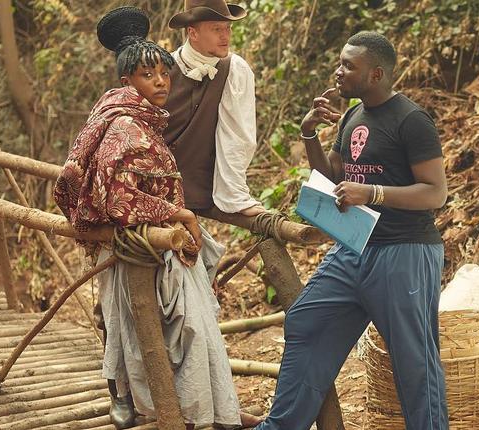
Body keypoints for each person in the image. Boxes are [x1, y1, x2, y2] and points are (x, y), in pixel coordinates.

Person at [53, 7, 260, 429]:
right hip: (136, 235)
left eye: (163, 74)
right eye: (150, 76)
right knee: (125, 318)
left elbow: (232, 140)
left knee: (177, 325)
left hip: (163, 232)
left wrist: (215, 201)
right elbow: (116, 194)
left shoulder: (143, 113)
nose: (162, 82)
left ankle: (193, 407)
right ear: (128, 81)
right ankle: (139, 400)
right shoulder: (125, 124)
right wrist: (178, 212)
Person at [256, 31, 449, 430]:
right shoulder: (352, 116)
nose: (338, 72)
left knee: (414, 360)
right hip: (353, 248)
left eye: (348, 66)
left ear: (376, 74)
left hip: (405, 252)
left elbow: (435, 193)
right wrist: (309, 134)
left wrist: (373, 192)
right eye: (339, 62)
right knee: (306, 321)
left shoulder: (412, 121)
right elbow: (333, 176)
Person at [164, 0, 265, 216]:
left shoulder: (235, 69)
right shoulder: (162, 69)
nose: (225, 36)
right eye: (216, 29)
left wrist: (236, 196)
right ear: (193, 33)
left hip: (203, 191)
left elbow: (237, 138)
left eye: (228, 28)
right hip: (155, 189)